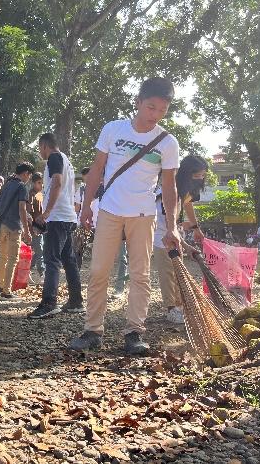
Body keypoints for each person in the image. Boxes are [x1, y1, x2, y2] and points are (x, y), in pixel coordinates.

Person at [69, 77, 180, 355]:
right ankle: (93, 330)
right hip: (109, 210)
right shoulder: (113, 129)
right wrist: (85, 208)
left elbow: (169, 187)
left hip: (144, 215)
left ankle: (134, 332)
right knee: (98, 272)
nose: (155, 115)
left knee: (140, 275)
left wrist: (173, 226)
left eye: (162, 111)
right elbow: (97, 170)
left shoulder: (167, 143)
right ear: (138, 102)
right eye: (151, 107)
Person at [28, 134, 82, 318]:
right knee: (69, 260)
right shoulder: (67, 160)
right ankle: (76, 301)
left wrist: (46, 212)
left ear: (44, 146)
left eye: (39, 148)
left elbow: (57, 182)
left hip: (58, 217)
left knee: (51, 260)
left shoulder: (54, 158)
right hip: (67, 217)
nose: (39, 153)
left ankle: (49, 303)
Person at [153, 155, 208, 324]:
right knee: (168, 274)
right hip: (161, 238)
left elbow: (188, 204)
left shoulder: (183, 193)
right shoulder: (170, 192)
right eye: (198, 175)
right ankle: (171, 309)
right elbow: (165, 225)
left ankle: (179, 306)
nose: (201, 179)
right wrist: (186, 244)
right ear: (187, 174)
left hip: (174, 236)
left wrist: (195, 227)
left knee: (178, 273)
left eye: (203, 175)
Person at [0, 162, 34, 299]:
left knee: (3, 257)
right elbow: (22, 209)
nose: (28, 179)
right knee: (13, 258)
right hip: (14, 226)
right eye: (29, 176)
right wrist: (27, 230)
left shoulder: (6, 185)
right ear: (25, 174)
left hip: (2, 225)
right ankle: (7, 291)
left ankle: (1, 285)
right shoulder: (22, 187)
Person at [27, 172, 45, 283]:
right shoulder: (31, 195)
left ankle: (27, 271)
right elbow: (29, 214)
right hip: (34, 227)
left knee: (37, 251)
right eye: (39, 183)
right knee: (39, 250)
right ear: (33, 183)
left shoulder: (40, 194)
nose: (41, 185)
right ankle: (41, 274)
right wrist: (32, 228)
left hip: (42, 227)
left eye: (42, 183)